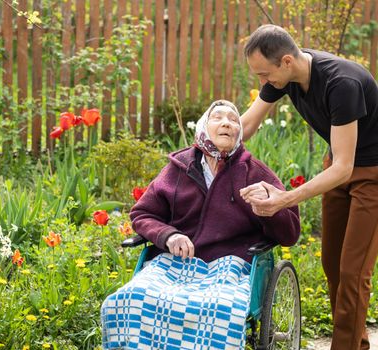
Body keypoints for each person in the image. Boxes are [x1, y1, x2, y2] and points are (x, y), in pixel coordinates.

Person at [239, 24, 378, 350]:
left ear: (286, 61)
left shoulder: (341, 84)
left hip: (377, 170)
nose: (262, 83)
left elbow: (344, 167)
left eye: (263, 73)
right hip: (340, 165)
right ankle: (356, 343)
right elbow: (248, 123)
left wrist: (286, 199)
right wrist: (208, 147)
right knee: (332, 263)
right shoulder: (284, 77)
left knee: (353, 273)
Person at [100, 100, 300, 349]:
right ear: (204, 127)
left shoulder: (255, 173)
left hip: (232, 266)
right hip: (175, 262)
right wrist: (168, 235)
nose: (227, 122)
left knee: (221, 309)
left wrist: (267, 209)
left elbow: (290, 233)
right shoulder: (179, 168)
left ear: (239, 131)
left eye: (233, 119)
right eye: (218, 117)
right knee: (128, 299)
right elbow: (142, 214)